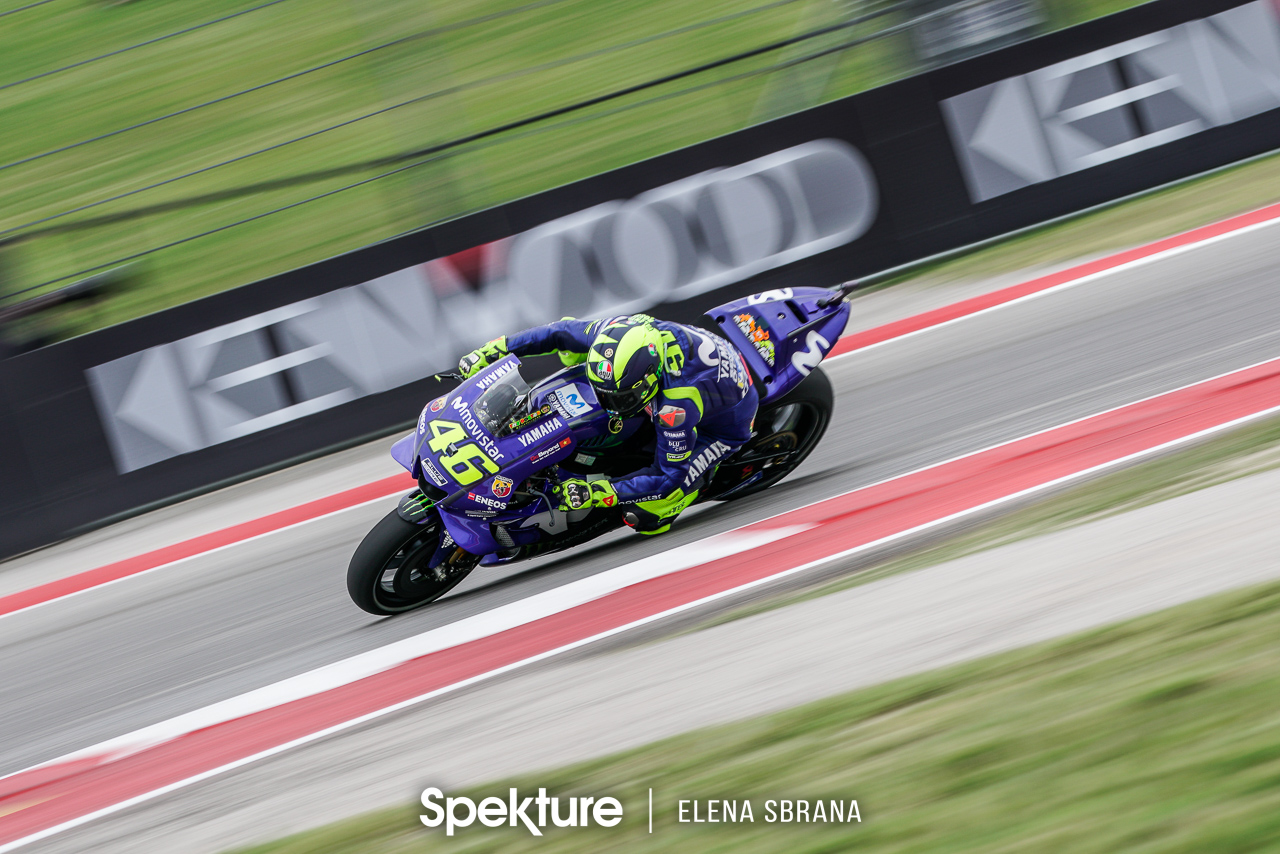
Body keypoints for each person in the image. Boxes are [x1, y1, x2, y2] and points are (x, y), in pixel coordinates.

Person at [458, 314, 757, 535]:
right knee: (570, 347)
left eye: (621, 398)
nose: (609, 404)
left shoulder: (676, 406)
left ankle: (703, 479)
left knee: (648, 515)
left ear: (649, 379)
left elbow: (668, 476)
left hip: (722, 426)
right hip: (695, 361)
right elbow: (557, 332)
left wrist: (599, 492)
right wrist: (495, 349)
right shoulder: (614, 333)